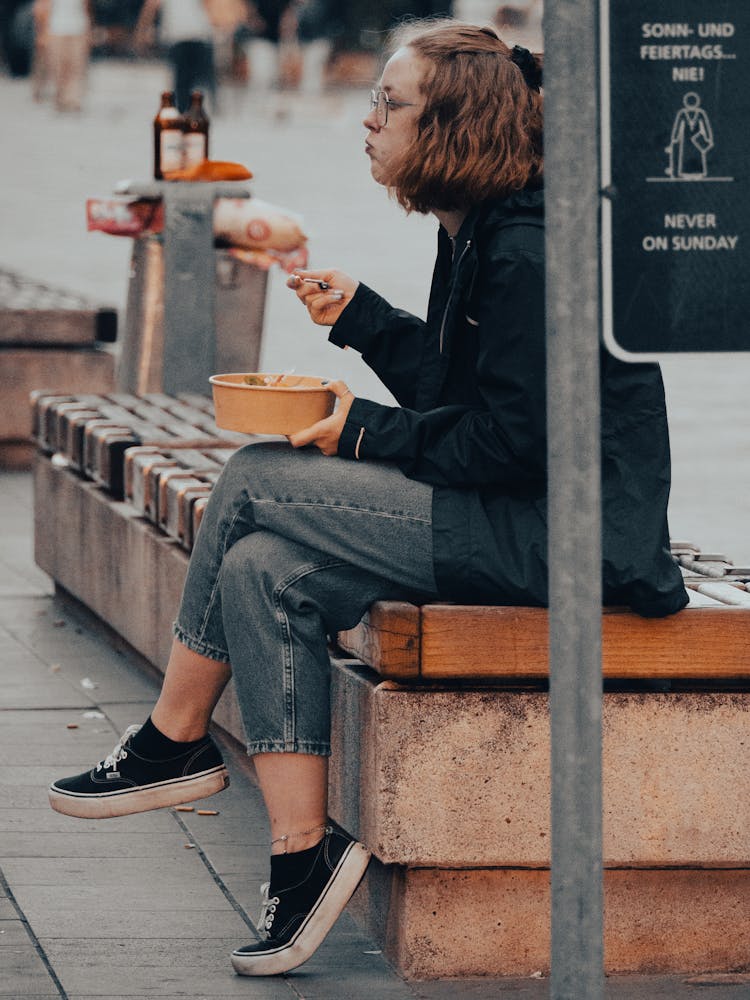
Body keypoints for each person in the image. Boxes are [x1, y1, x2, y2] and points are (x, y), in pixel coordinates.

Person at [48, 18, 689, 978]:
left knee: (257, 478)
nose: (368, 120)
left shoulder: (528, 252)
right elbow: (460, 398)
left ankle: (173, 739)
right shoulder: (477, 227)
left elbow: (513, 445)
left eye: (389, 104)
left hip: (566, 538)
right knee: (266, 569)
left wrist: (358, 432)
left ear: (451, 127)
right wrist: (364, 320)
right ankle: (302, 862)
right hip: (519, 517)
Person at [134, 0, 216, 113]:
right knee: (193, 79)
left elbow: (149, 9)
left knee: (184, 80)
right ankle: (192, 110)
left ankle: (187, 110)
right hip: (193, 36)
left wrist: (141, 33)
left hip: (186, 37)